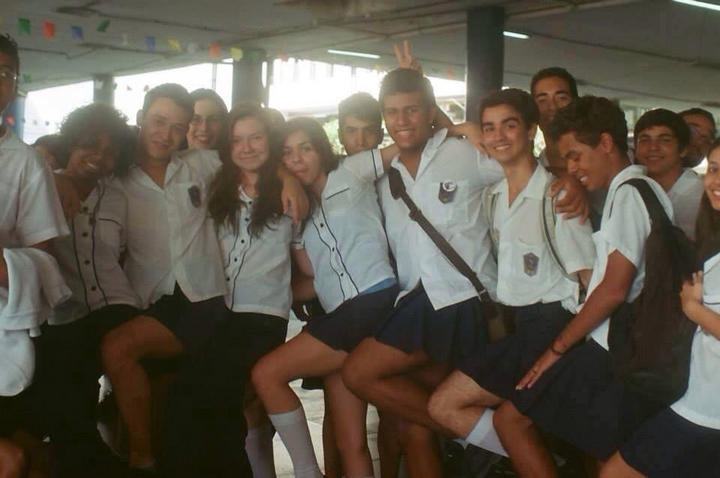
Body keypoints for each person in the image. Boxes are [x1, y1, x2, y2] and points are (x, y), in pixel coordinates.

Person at [99, 83, 307, 477]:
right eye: (159, 122)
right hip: (148, 300)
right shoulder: (115, 179)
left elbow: (252, 159)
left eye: (178, 126)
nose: (167, 134)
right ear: (141, 119)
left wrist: (286, 176)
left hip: (201, 299)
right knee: (175, 403)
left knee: (123, 352)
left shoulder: (201, 164)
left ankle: (142, 460)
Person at [492, 96, 674, 478]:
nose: (572, 168)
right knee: (605, 455)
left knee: (511, 419)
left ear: (605, 143)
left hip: (612, 349)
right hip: (626, 347)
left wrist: (557, 349)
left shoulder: (629, 194)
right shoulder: (644, 190)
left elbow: (613, 289)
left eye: (575, 156)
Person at [426, 89, 594, 460]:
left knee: (446, 405)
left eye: (510, 125)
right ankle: (540, 459)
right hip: (519, 327)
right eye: (489, 127)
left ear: (532, 130)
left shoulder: (559, 196)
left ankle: (543, 461)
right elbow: (447, 131)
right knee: (496, 420)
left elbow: (590, 280)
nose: (498, 136)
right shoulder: (494, 196)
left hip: (554, 328)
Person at [252, 117, 401, 478]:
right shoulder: (297, 211)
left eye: (305, 148)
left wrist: (457, 129)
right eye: (288, 153)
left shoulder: (351, 171)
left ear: (321, 149)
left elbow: (407, 144)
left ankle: (307, 473)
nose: (297, 159)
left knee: (266, 373)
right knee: (350, 442)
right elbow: (313, 276)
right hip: (340, 317)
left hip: (373, 302)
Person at [599, 138, 720, 478]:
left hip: (708, 409)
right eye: (713, 169)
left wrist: (694, 310)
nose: (716, 180)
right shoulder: (713, 240)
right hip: (700, 397)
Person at [37, 103, 139, 478]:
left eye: (110, 151)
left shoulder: (118, 196)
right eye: (89, 144)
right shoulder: (41, 185)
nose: (99, 156)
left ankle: (91, 459)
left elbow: (124, 251)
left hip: (116, 305)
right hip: (64, 309)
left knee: (68, 366)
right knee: (62, 379)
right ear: (71, 143)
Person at [207, 103, 294, 478]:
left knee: (241, 399)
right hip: (217, 308)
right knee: (231, 403)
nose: (246, 147)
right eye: (237, 140)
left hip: (263, 313)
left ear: (270, 141)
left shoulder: (290, 191)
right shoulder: (218, 188)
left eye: (255, 137)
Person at [0, 32, 68, 478]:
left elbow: (45, 262)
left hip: (4, 337)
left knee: (18, 458)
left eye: (6, 74)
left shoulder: (24, 162)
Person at [633, 108, 703, 240]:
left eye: (665, 140)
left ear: (683, 149)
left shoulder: (700, 196)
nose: (653, 147)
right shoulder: (631, 186)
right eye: (645, 140)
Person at [530, 67, 578, 172]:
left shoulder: (599, 162)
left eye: (562, 98)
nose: (552, 107)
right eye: (542, 100)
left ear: (576, 103)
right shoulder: (533, 171)